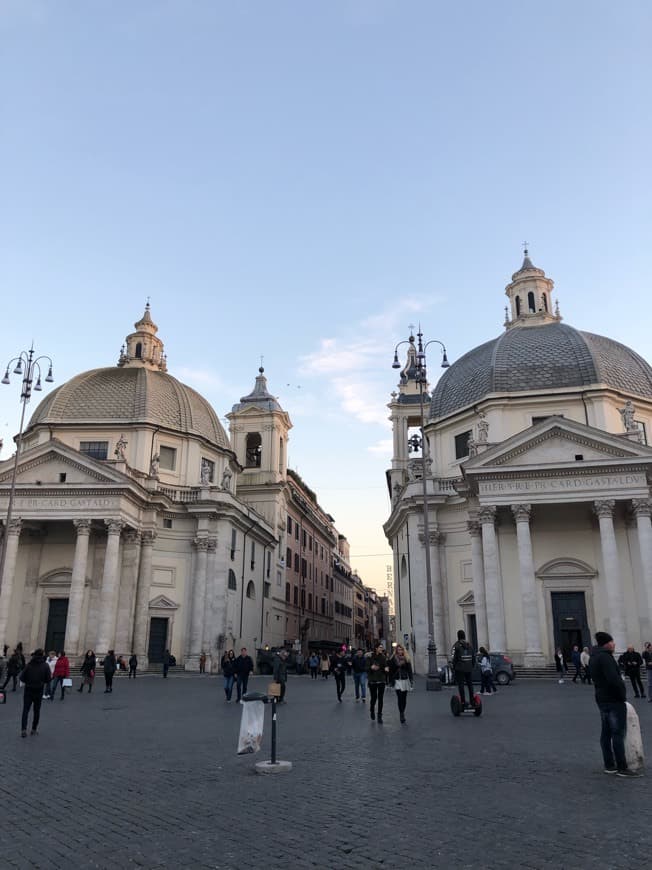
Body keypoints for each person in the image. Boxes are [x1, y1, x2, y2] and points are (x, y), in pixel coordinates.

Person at [589, 631, 640, 777]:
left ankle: (609, 765)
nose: (615, 644)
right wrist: (622, 695)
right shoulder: (606, 657)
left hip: (601, 698)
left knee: (606, 733)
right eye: (612, 641)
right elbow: (614, 680)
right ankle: (622, 767)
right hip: (613, 700)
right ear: (607, 643)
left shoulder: (594, 657)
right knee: (618, 732)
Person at [19, 649, 51, 737]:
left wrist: (28, 681)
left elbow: (21, 677)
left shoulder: (29, 665)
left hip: (28, 690)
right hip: (39, 691)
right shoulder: (45, 666)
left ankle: (23, 729)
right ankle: (33, 729)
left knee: (25, 710)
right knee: (36, 711)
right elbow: (48, 679)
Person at [389, 643, 414, 724]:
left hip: (404, 679)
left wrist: (411, 679)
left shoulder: (407, 659)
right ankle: (401, 714)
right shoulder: (393, 659)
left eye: (401, 649)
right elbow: (391, 671)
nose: (400, 651)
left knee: (404, 698)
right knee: (399, 697)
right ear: (396, 651)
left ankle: (402, 710)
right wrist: (390, 681)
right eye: (399, 650)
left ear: (403, 650)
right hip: (397, 680)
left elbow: (409, 670)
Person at [452, 630, 476, 709]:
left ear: (458, 636)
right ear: (464, 636)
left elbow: (454, 658)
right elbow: (473, 657)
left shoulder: (456, 645)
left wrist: (454, 667)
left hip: (460, 668)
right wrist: (472, 666)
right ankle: (472, 701)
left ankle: (463, 702)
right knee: (470, 685)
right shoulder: (470, 645)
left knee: (461, 685)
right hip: (469, 668)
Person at [367, 642, 388, 723]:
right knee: (373, 698)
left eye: (382, 647)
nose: (381, 649)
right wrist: (371, 667)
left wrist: (386, 669)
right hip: (372, 680)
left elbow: (385, 666)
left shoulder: (383, 657)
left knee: (380, 698)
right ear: (376, 648)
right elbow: (366, 668)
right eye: (380, 647)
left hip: (381, 679)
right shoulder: (370, 657)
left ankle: (379, 715)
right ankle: (372, 710)